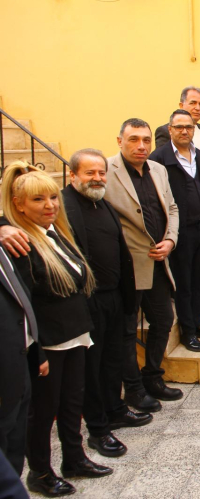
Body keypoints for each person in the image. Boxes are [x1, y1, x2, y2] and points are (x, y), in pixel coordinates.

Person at [2, 163, 112, 496]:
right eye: (38, 199)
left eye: (52, 197)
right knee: (43, 412)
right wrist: (37, 350)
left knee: (72, 403)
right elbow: (23, 304)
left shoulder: (56, 233)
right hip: (49, 343)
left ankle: (74, 458)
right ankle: (40, 472)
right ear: (19, 205)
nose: (50, 205)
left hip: (75, 334)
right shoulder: (20, 242)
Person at [106, 118, 182, 409]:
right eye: (134, 139)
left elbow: (172, 208)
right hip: (127, 269)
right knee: (127, 331)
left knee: (163, 320)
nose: (141, 146)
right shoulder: (106, 171)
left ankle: (152, 377)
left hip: (158, 263)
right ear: (120, 141)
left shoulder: (158, 170)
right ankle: (134, 390)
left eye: (146, 140)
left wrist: (171, 240)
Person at [150, 109, 200, 353]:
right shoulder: (159, 158)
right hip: (180, 231)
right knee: (184, 282)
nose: (184, 131)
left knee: (199, 280)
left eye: (188, 127)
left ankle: (198, 323)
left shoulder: (198, 154)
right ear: (170, 129)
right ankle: (188, 331)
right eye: (179, 127)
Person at [0, 242, 42, 479]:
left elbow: (20, 298)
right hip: (5, 363)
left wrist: (36, 349)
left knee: (15, 440)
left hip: (20, 355)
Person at [155, 86, 200, 164]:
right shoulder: (165, 131)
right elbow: (161, 163)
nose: (198, 108)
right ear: (181, 106)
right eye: (193, 103)